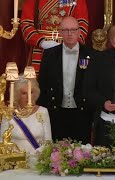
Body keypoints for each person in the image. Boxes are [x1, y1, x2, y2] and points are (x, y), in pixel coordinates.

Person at [37, 16, 93, 144]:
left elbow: (96, 86)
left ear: (79, 32)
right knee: (57, 154)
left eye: (73, 30)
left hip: (82, 113)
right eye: (66, 30)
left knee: (82, 153)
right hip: (56, 112)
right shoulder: (49, 54)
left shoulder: (91, 54)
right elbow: (43, 84)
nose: (70, 34)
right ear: (60, 32)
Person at [20, 0, 89, 73]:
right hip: (40, 51)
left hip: (69, 50)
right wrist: (42, 42)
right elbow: (26, 24)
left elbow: (82, 24)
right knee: (38, 82)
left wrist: (71, 44)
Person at [0, 75, 52, 154]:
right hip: (15, 160)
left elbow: (48, 142)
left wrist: (36, 155)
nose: (28, 97)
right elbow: (2, 141)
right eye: (24, 93)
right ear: (17, 95)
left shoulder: (43, 111)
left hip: (37, 160)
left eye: (31, 92)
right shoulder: (8, 113)